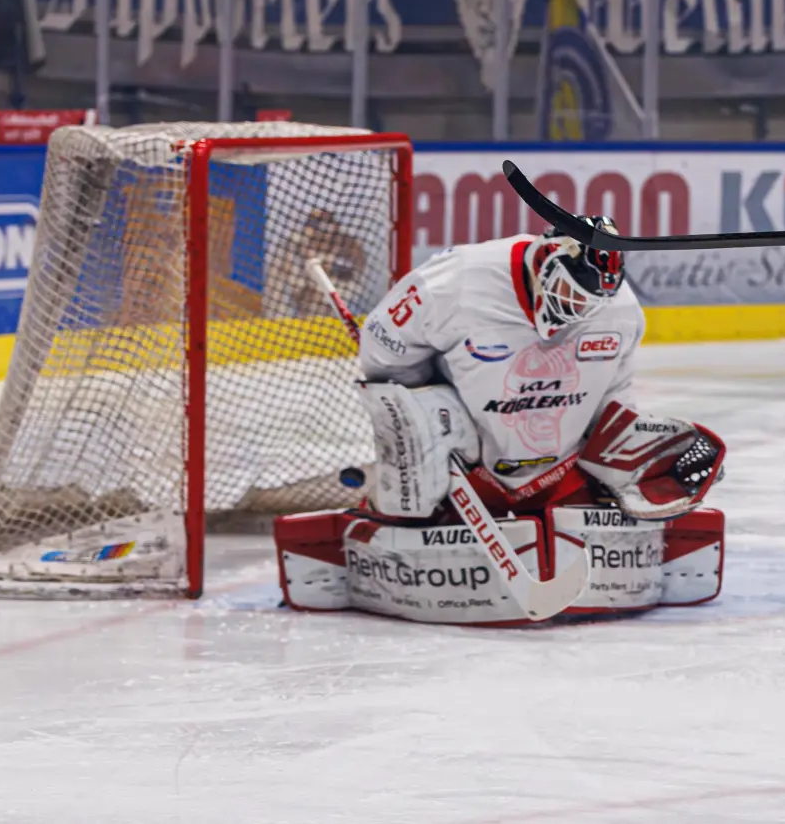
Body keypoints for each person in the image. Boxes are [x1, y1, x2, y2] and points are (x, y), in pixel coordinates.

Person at [272, 222, 727, 625]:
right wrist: (426, 417)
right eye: (569, 296)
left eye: (588, 304)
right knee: (411, 495)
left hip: (558, 471)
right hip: (468, 471)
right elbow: (384, 355)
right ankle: (384, 521)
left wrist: (622, 453)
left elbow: (615, 391)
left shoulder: (621, 311)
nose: (575, 312)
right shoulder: (455, 283)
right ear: (546, 267)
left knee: (586, 491)